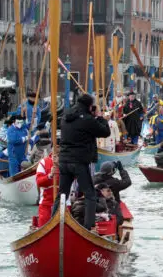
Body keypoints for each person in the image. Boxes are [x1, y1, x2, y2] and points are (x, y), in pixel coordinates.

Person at [51, 94, 111, 231]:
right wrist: (101, 117)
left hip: (64, 160)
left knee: (62, 194)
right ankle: (88, 227)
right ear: (90, 106)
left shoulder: (66, 116)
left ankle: (52, 222)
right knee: (90, 194)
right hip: (79, 162)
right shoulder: (88, 120)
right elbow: (105, 132)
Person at [35, 146, 58, 226]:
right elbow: (39, 182)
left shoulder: (68, 162)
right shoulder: (43, 162)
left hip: (64, 203)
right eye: (57, 145)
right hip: (46, 204)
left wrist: (60, 166)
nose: (59, 148)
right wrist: (50, 175)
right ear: (52, 148)